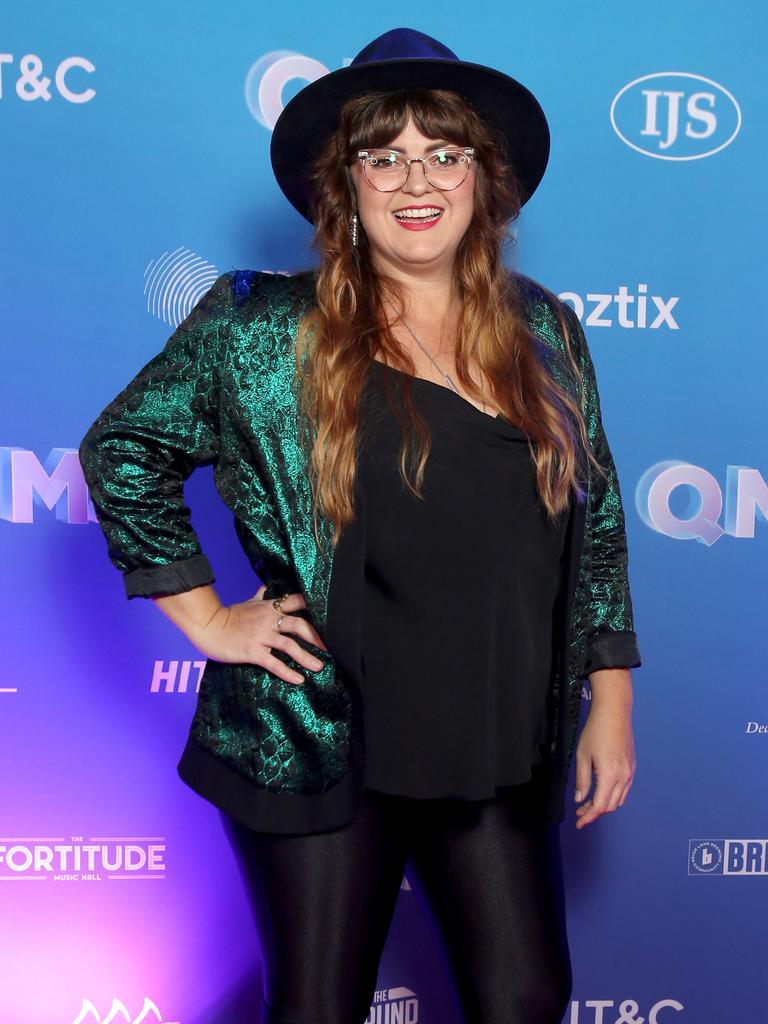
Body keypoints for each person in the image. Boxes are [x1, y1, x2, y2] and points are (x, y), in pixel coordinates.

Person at [79, 27, 642, 1024]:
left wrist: (610, 698)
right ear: (344, 185)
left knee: (525, 999)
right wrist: (209, 618)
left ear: (481, 179)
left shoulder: (545, 329)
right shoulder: (258, 326)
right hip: (320, 731)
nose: (414, 179)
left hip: (497, 738)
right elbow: (122, 450)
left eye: (444, 152)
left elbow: (592, 528)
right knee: (318, 1007)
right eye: (382, 155)